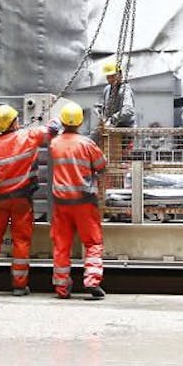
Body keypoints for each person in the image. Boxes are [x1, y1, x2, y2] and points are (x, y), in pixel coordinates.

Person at [0, 104, 52, 296]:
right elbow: (51, 130)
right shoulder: (29, 136)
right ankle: (19, 285)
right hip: (22, 200)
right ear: (14, 122)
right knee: (21, 240)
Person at [48, 99, 108, 300]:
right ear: (81, 122)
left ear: (63, 121)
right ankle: (92, 281)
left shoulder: (54, 144)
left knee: (61, 245)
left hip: (61, 203)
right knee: (92, 242)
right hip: (84, 202)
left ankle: (61, 288)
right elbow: (101, 165)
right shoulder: (87, 144)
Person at [99, 60, 137, 127]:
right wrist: (102, 117)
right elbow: (102, 106)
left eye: (113, 76)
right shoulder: (107, 89)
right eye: (108, 77)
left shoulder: (125, 90)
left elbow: (128, 110)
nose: (110, 79)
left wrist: (112, 119)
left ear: (120, 75)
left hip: (125, 129)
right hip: (112, 127)